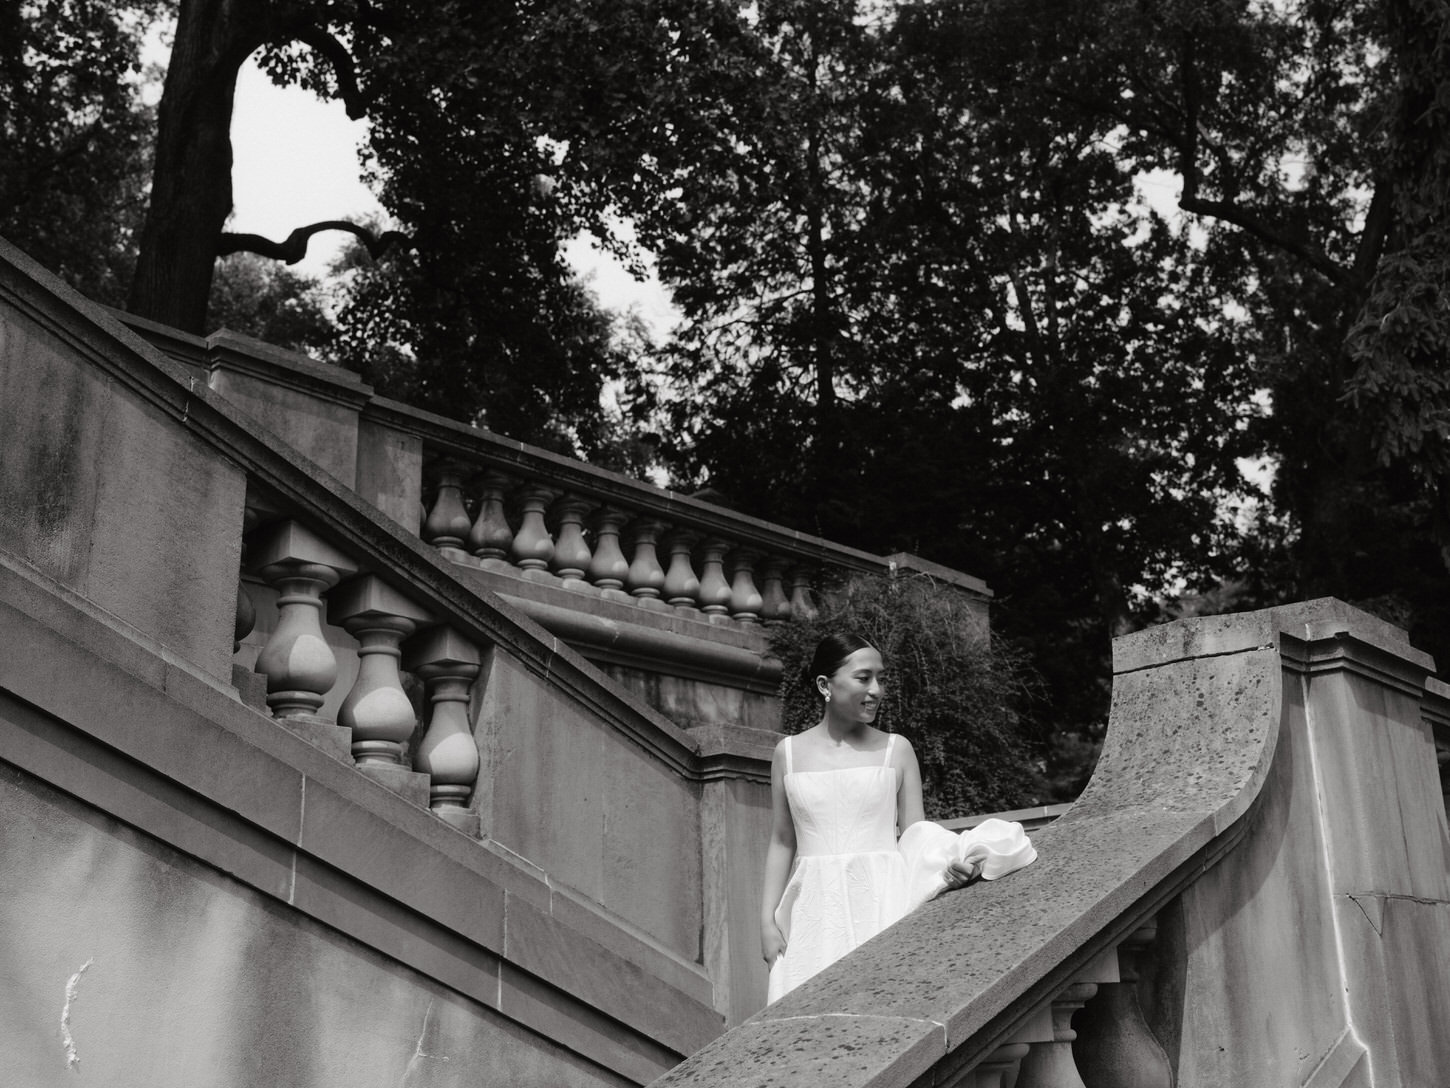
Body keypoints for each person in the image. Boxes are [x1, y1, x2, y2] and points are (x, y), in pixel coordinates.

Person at [760, 633, 981, 1002]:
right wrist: (766, 922)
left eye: (881, 678)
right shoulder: (788, 754)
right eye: (864, 678)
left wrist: (947, 868)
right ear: (824, 685)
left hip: (883, 905)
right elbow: (782, 840)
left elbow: (917, 836)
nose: (877, 689)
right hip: (812, 913)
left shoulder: (897, 750)